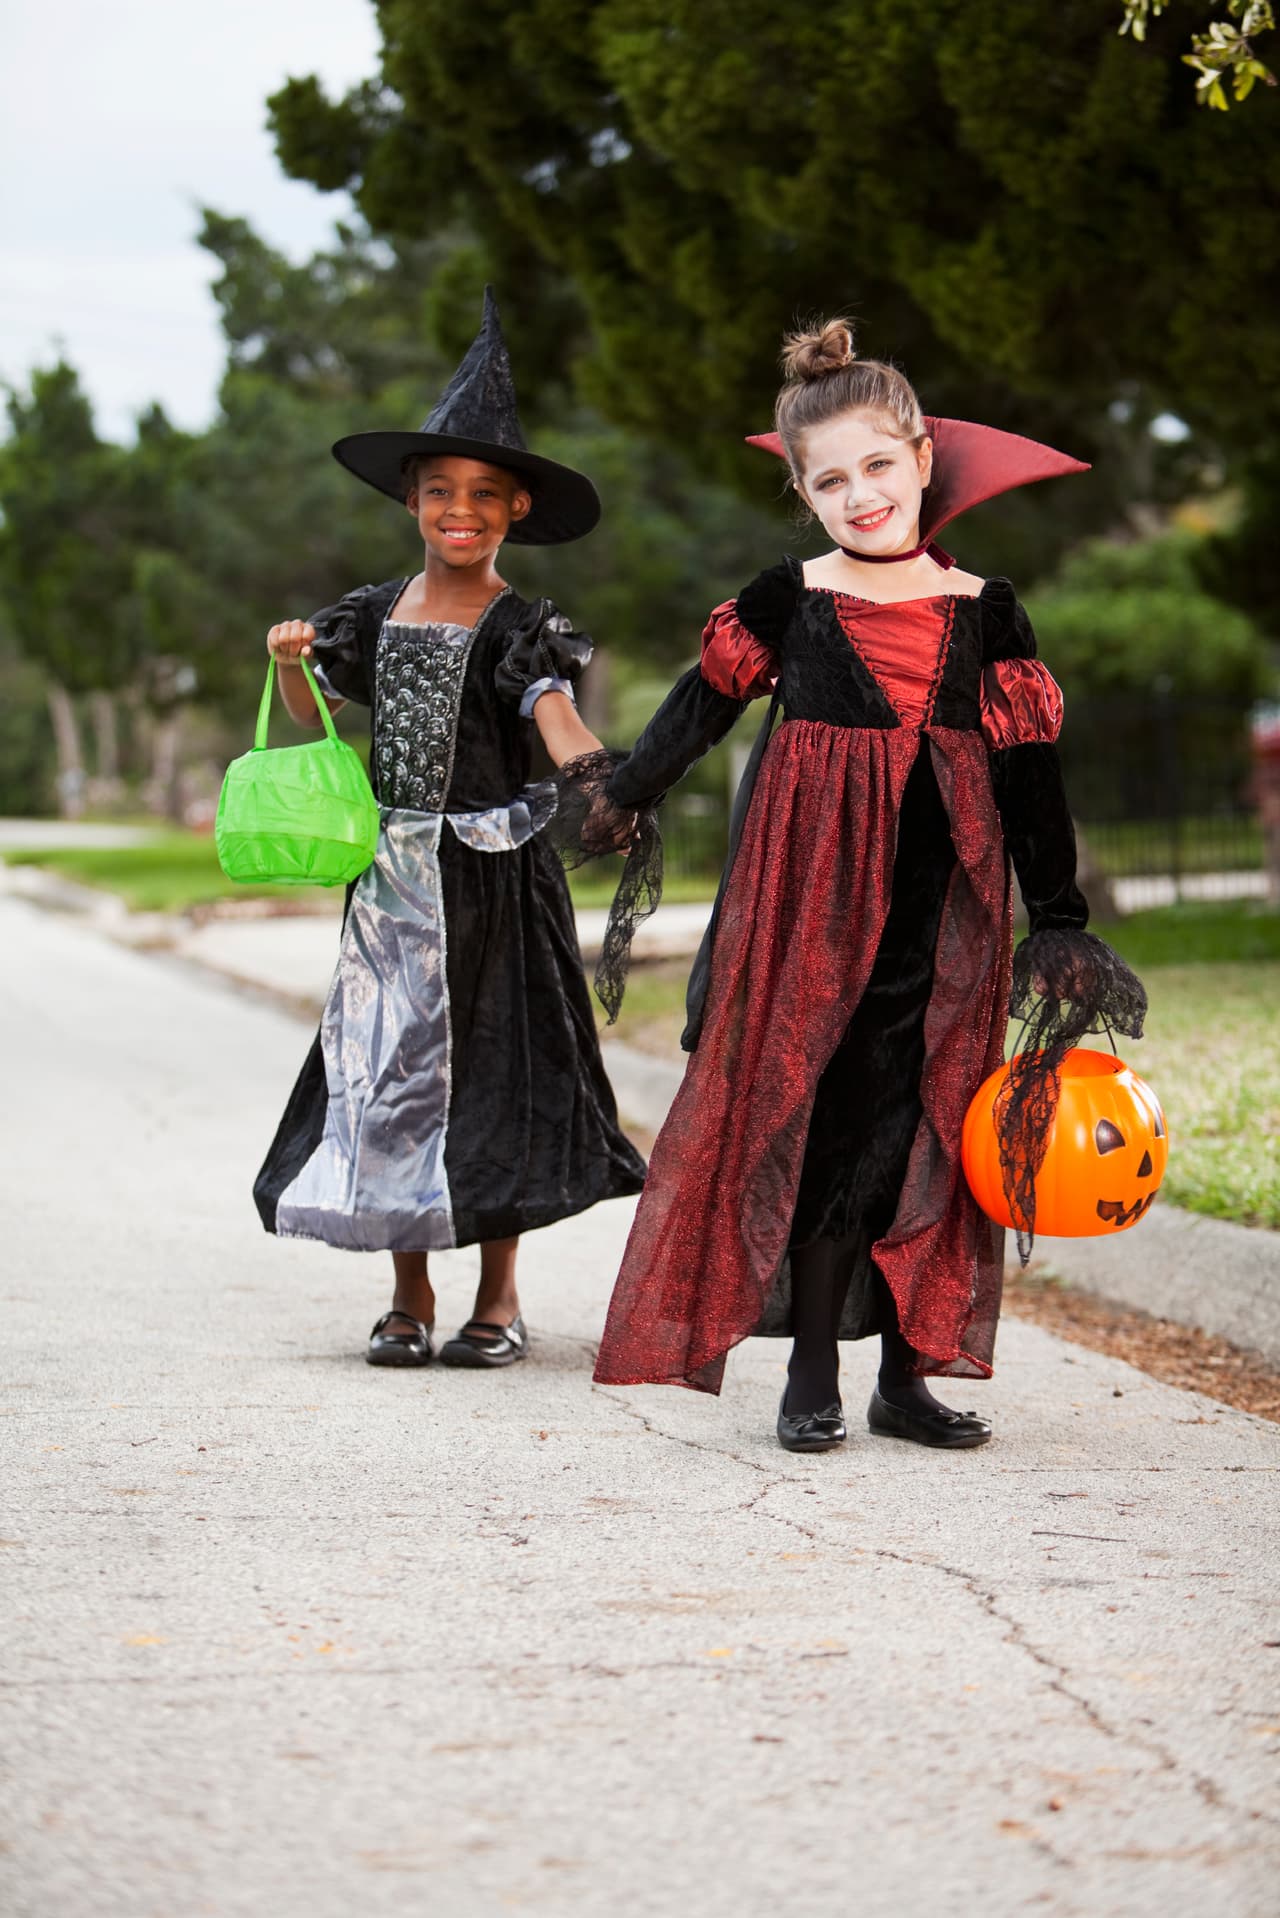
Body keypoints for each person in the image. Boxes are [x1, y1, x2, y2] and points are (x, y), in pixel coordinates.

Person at [559, 317, 1146, 1452]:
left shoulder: (986, 608)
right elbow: (700, 702)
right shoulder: (791, 598)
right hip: (809, 910)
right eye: (829, 479)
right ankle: (812, 1368)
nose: (860, 493)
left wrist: (1058, 914)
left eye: (879, 465)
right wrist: (625, 792)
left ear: (924, 457)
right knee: (817, 1116)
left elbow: (1027, 773)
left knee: (926, 1121)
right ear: (802, 491)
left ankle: (907, 1373)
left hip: (944, 913)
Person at [253, 290, 645, 1369]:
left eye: (481, 495)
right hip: (389, 890)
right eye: (438, 494)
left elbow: (552, 717)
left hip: (495, 884)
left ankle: (498, 1297)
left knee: (494, 1076)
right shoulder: (373, 614)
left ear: (514, 508)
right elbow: (318, 722)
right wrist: (292, 667)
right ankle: (407, 1295)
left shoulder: (524, 627)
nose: (458, 511)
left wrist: (606, 779)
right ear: (411, 502)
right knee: (387, 1076)